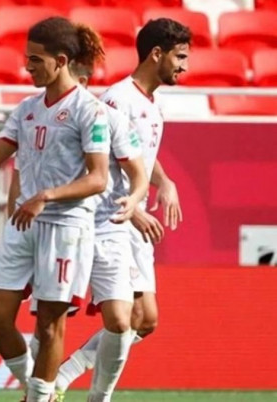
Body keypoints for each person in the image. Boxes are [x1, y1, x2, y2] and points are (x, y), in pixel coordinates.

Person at [0, 16, 110, 402]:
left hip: (65, 227)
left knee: (49, 327)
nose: (27, 67)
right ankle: (38, 389)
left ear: (61, 61)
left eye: (35, 60)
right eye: (27, 58)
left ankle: (38, 397)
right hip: (24, 224)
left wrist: (46, 195)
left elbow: (98, 179)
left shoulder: (90, 110)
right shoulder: (26, 108)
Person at [54, 18, 191, 397]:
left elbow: (136, 155)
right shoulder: (117, 100)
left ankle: (64, 375)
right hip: (110, 218)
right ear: (156, 54)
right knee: (126, 318)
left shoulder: (152, 104)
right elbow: (97, 163)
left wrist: (165, 182)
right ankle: (80, 389)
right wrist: (134, 209)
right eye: (180, 57)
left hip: (133, 217)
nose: (185, 67)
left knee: (146, 321)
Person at [8, 60, 149, 402]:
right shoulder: (43, 120)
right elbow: (21, 174)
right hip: (62, 226)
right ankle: (39, 391)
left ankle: (98, 395)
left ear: (84, 82)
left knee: (122, 321)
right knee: (48, 320)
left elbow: (138, 173)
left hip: (106, 229)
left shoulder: (110, 119)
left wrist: (134, 202)